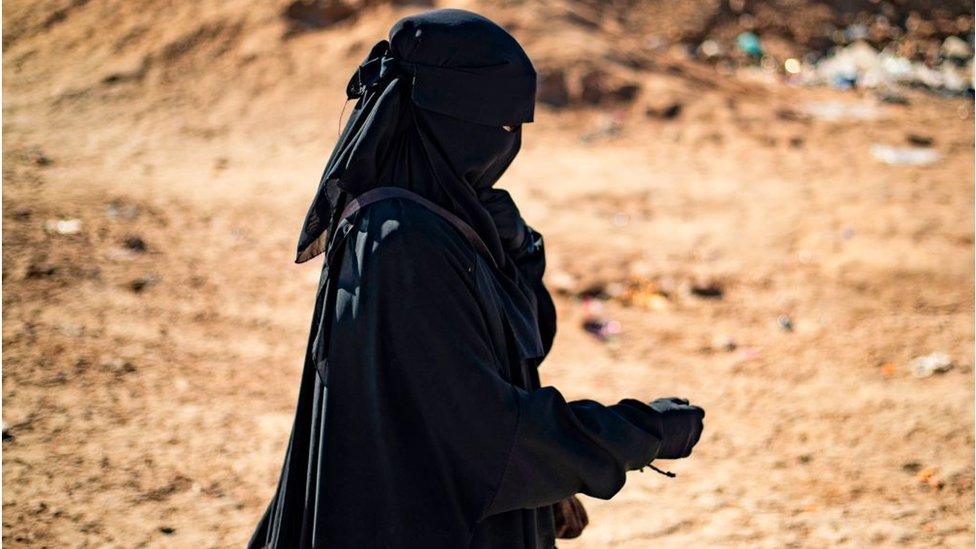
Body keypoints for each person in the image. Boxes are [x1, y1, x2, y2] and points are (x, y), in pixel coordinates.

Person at [250, 9, 705, 549]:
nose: (505, 144)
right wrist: (643, 432)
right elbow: (485, 437)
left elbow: (521, 345)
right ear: (450, 120)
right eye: (498, 127)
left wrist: (519, 248)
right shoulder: (403, 243)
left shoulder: (442, 218)